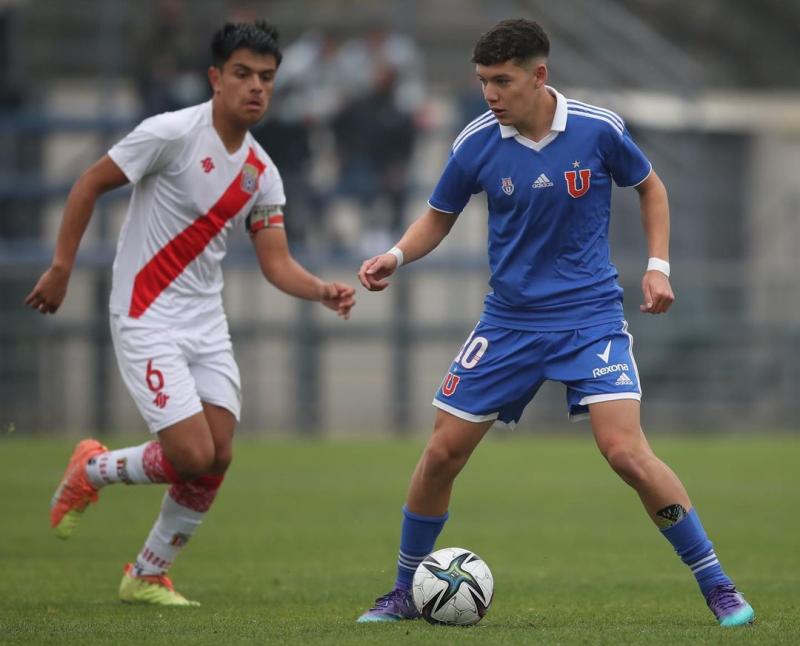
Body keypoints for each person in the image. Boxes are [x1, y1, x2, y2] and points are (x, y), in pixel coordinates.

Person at [356, 19, 753, 628]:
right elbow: (438, 215)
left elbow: (651, 189)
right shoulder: (476, 141)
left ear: (539, 75)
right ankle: (405, 590)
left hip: (589, 321)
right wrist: (397, 255)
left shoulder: (599, 129)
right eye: (483, 81)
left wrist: (657, 266)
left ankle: (718, 585)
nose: (490, 94)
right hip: (509, 322)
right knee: (440, 454)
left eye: (502, 81)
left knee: (624, 452)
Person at [26, 21, 355, 607]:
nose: (256, 87)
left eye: (267, 78)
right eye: (243, 74)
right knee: (190, 456)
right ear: (215, 77)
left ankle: (148, 572)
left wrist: (319, 290)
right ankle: (93, 469)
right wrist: (60, 267)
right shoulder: (169, 134)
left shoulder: (261, 171)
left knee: (219, 453)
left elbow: (277, 263)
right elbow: (86, 185)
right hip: (145, 314)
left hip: (205, 324)